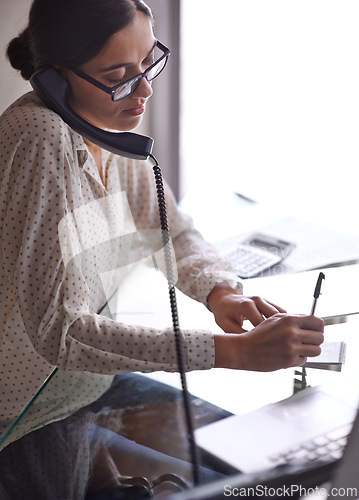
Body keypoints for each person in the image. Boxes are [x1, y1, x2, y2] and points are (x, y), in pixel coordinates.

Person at [0, 0, 324, 498]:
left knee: (282, 474)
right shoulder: (39, 137)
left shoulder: (105, 122)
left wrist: (221, 293)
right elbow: (59, 331)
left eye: (148, 62)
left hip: (97, 382)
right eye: (119, 74)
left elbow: (171, 230)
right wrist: (231, 353)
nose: (144, 89)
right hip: (26, 414)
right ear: (55, 80)